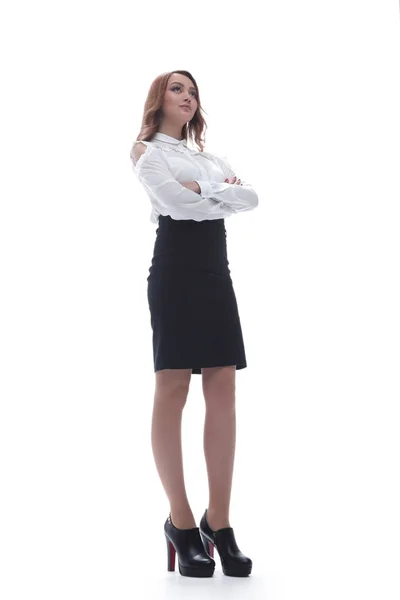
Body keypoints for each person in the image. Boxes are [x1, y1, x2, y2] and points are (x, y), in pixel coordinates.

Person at [129, 70, 258, 578]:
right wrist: (215, 193)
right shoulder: (146, 151)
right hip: (176, 272)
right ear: (158, 98)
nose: (188, 96)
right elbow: (175, 205)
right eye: (177, 88)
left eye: (192, 90)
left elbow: (249, 198)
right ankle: (181, 524)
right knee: (173, 387)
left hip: (215, 273)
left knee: (223, 385)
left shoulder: (210, 158)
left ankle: (218, 523)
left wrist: (203, 185)